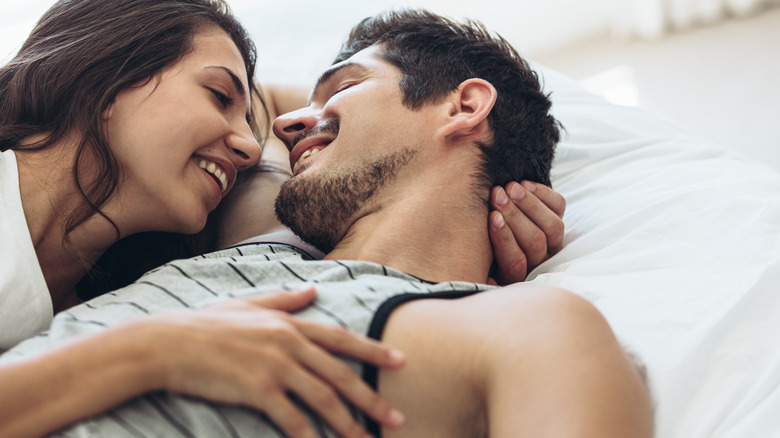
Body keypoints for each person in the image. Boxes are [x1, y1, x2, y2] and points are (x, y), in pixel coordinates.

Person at [0, 9, 652, 438]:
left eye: (340, 86)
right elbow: (195, 88)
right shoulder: (249, 237)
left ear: (465, 104)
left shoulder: (524, 327)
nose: (272, 133)